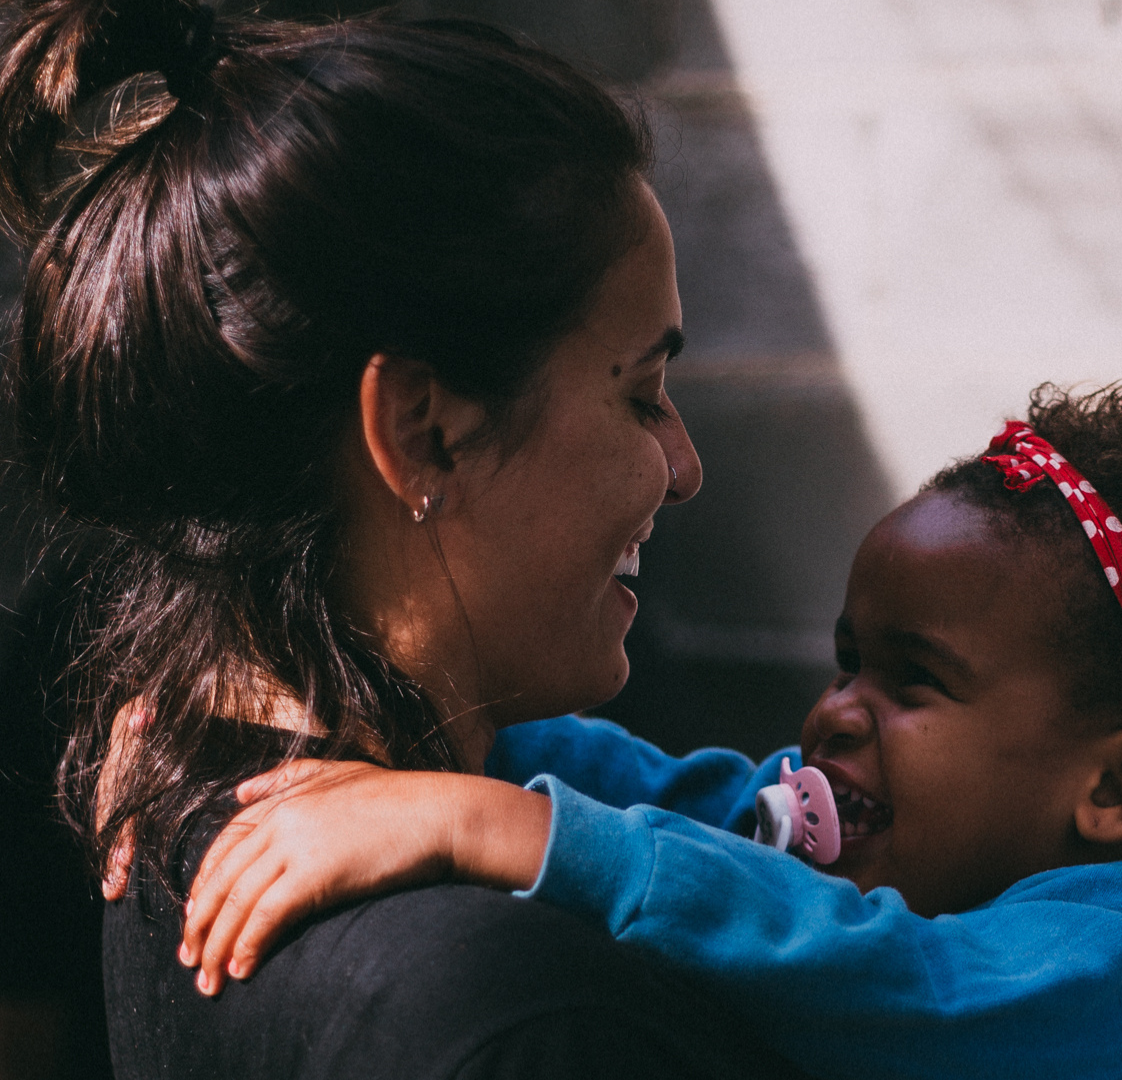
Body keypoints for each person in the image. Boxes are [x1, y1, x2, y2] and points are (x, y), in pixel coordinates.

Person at [0, 1, 804, 1076]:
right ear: (421, 432)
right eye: (643, 393)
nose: (685, 467)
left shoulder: (180, 813)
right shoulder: (516, 1011)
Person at [177, 382, 1122, 1080]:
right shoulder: (927, 855)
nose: (836, 711)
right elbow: (708, 807)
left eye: (916, 683)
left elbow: (888, 971)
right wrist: (427, 744)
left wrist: (502, 831)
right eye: (850, 659)